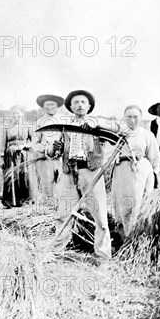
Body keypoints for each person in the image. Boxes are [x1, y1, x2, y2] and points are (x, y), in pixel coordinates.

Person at [46, 90, 113, 266]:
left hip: (91, 173)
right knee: (63, 215)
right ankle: (55, 254)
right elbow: (51, 153)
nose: (80, 105)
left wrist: (95, 126)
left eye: (83, 102)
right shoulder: (64, 126)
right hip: (68, 173)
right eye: (76, 102)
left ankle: (103, 258)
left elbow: (117, 130)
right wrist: (54, 147)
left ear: (89, 106)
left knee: (100, 218)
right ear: (70, 107)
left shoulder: (98, 123)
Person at [111, 105, 160, 239]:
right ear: (124, 118)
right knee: (124, 205)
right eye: (129, 117)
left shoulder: (146, 134)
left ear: (140, 117)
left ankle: (142, 238)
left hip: (142, 171)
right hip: (122, 170)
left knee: (141, 204)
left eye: (135, 117)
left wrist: (155, 175)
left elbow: (155, 158)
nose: (132, 120)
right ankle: (125, 238)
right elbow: (109, 155)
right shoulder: (118, 135)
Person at [1, 105, 37, 208]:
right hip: (10, 155)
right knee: (12, 176)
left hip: (24, 154)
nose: (16, 115)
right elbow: (3, 143)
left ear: (22, 114)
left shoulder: (28, 126)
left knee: (24, 175)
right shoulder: (7, 127)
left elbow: (34, 141)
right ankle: (12, 201)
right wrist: (2, 157)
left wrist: (24, 146)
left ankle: (26, 200)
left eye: (18, 113)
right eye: (13, 113)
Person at [32, 94, 64, 198]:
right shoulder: (39, 122)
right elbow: (35, 143)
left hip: (62, 159)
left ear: (57, 106)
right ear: (43, 107)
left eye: (52, 104)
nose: (50, 107)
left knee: (63, 185)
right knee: (47, 186)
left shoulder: (64, 120)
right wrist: (46, 149)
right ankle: (49, 209)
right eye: (47, 105)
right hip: (45, 160)